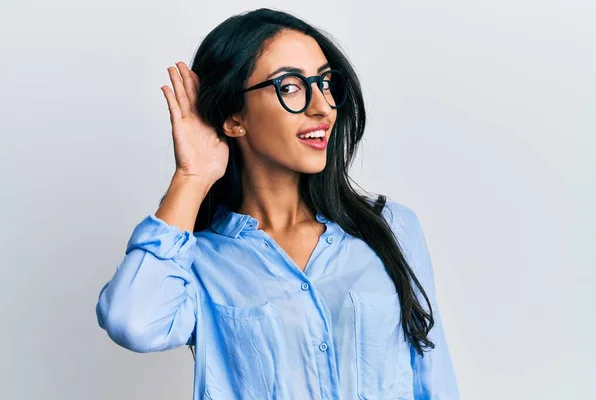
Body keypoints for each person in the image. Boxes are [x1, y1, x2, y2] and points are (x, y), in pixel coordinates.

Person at [95, 7, 460, 400]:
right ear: (235, 118)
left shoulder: (391, 228)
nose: (322, 106)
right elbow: (133, 321)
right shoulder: (198, 261)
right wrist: (192, 176)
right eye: (290, 87)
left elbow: (433, 379)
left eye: (324, 82)